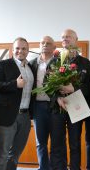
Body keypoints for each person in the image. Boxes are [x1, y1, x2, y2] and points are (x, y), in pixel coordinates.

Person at [51, 29, 90, 170]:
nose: (65, 39)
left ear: (76, 40)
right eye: (63, 37)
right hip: (58, 107)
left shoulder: (85, 63)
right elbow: (47, 85)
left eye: (68, 37)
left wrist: (74, 89)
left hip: (77, 106)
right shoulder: (54, 61)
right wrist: (57, 98)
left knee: (75, 144)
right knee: (57, 143)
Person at [0, 37, 34, 170]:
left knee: (14, 155)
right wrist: (15, 84)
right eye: (17, 48)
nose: (20, 51)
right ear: (13, 50)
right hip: (5, 116)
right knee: (1, 155)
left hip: (24, 117)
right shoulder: (2, 64)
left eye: (24, 48)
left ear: (28, 50)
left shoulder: (30, 67)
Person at [29, 36, 56, 170]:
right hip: (38, 107)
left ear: (54, 48)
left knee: (56, 141)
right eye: (42, 43)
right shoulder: (31, 63)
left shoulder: (60, 64)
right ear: (39, 45)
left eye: (48, 43)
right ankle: (44, 168)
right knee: (41, 143)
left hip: (56, 107)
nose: (45, 45)